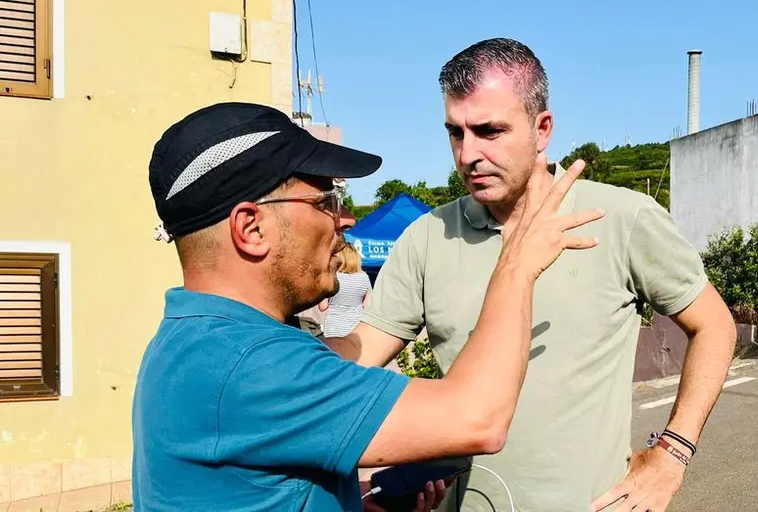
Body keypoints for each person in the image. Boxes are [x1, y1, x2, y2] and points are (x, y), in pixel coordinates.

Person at [326, 38, 737, 512]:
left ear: (542, 129)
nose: (467, 154)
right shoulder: (427, 236)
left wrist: (673, 453)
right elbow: (359, 355)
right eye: (456, 133)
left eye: (489, 131)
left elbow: (714, 325)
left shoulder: (622, 218)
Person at [132, 101, 604, 511]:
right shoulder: (253, 365)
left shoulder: (191, 341)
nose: (343, 220)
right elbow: (477, 418)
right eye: (325, 200)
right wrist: (516, 263)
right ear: (251, 228)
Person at [319, 243, 373, 338]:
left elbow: (322, 306)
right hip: (356, 326)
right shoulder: (364, 277)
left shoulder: (333, 277)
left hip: (334, 326)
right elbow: (367, 305)